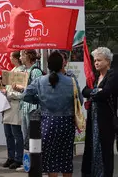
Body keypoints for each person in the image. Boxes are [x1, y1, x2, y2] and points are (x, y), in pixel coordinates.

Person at [23, 51, 83, 177]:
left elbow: (25, 95)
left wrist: (38, 100)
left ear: (49, 66)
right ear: (63, 65)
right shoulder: (71, 81)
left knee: (50, 159)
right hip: (67, 123)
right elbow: (80, 101)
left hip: (47, 123)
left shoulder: (40, 81)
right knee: (66, 158)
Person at [81, 47, 117, 177]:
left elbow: (106, 93)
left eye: (99, 60)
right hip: (93, 117)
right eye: (95, 60)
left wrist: (94, 93)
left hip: (106, 119)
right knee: (93, 147)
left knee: (105, 149)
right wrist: (96, 91)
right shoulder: (95, 77)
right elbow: (84, 91)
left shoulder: (112, 75)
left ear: (107, 61)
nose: (96, 63)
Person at [12, 49, 43, 154]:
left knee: (33, 136)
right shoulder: (24, 71)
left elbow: (38, 90)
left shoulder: (36, 71)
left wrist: (21, 89)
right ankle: (28, 161)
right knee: (26, 136)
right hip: (25, 106)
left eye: (21, 55)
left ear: (28, 56)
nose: (20, 58)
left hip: (33, 108)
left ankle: (35, 162)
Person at [1, 51, 25, 170]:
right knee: (8, 133)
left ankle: (18, 158)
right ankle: (10, 157)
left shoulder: (21, 71)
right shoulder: (12, 70)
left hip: (15, 105)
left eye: (11, 56)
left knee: (16, 133)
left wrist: (9, 94)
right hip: (7, 105)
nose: (9, 58)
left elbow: (21, 92)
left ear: (15, 58)